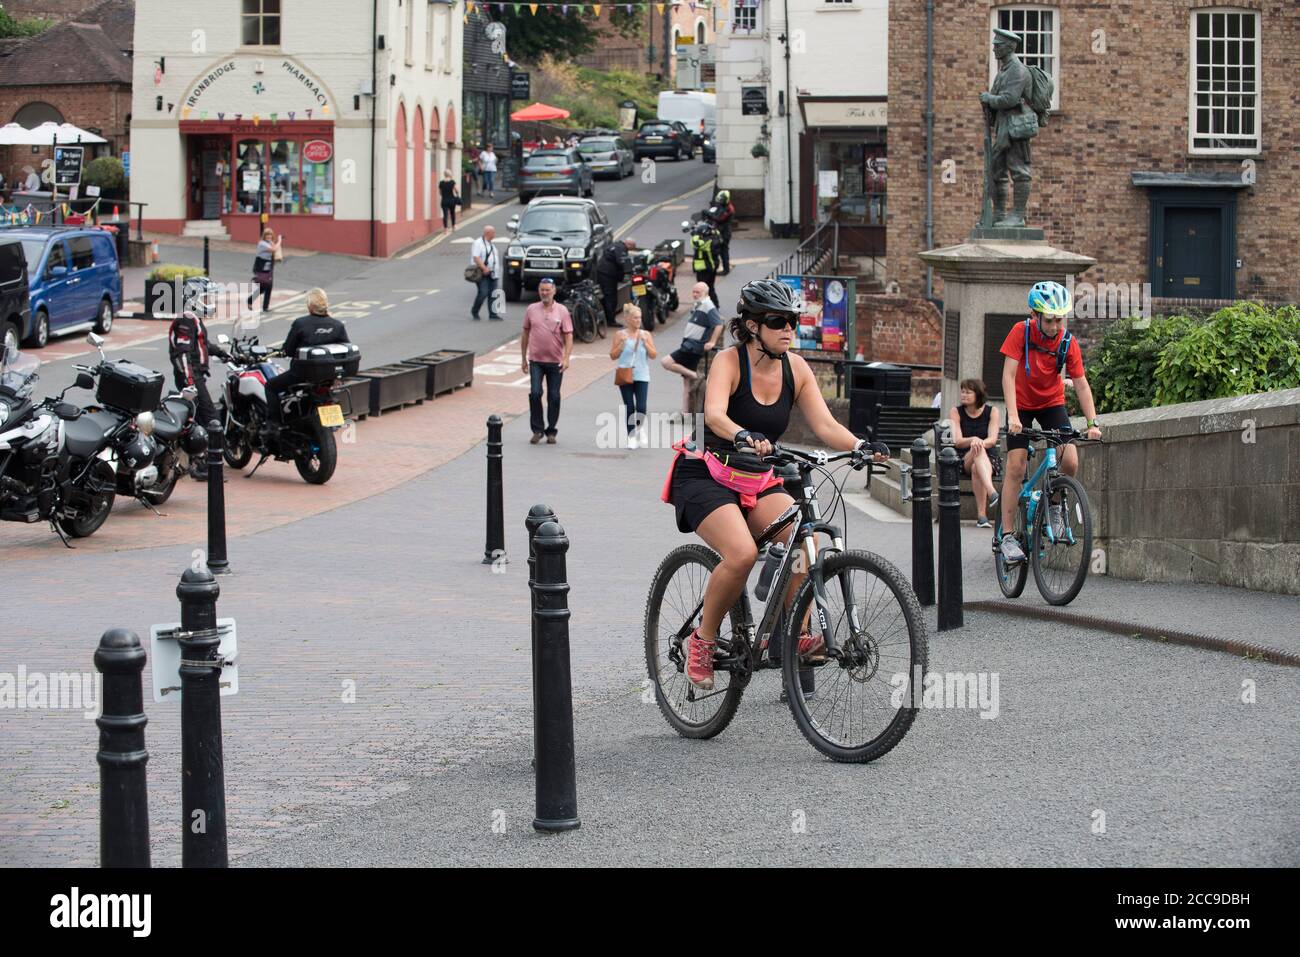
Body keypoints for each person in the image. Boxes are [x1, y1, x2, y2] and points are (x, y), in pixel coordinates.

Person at [663, 279, 888, 691]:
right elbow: (713, 415)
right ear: (751, 325)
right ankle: (703, 640)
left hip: (756, 477)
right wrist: (741, 434)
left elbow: (823, 424)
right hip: (708, 474)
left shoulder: (795, 368)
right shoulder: (729, 363)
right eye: (777, 321)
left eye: (793, 321)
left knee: (806, 542)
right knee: (742, 553)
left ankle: (797, 633)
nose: (789, 328)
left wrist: (860, 445)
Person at [997, 280, 1103, 563]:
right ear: (1035, 315)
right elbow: (1008, 376)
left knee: (1069, 461)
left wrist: (1093, 422)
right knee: (1016, 466)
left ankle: (1054, 507)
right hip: (1020, 403)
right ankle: (1007, 537)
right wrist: (1014, 417)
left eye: (1060, 319)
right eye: (1050, 319)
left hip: (1051, 403)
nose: (1056, 326)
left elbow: (1080, 384)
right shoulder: (1021, 332)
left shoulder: (1067, 342)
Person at [168, 277, 229, 480]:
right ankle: (201, 464)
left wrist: (222, 353)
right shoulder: (185, 321)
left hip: (196, 376)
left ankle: (198, 461)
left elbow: (202, 344)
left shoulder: (194, 319)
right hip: (191, 378)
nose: (210, 300)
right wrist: (190, 381)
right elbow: (182, 354)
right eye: (206, 296)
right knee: (210, 418)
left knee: (201, 419)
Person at [263, 288, 351, 429]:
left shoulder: (301, 324)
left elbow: (289, 350)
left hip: (301, 375)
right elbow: (345, 350)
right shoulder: (337, 325)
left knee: (271, 387)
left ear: (310, 306)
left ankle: (274, 424)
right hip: (328, 378)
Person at [979, 28, 1034, 228]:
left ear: (1009, 47)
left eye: (997, 45)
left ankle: (1018, 216)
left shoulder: (1018, 70)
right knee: (996, 170)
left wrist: (989, 99)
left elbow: (1009, 99)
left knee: (1019, 171)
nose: (994, 48)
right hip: (1003, 128)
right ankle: (1000, 215)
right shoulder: (1003, 70)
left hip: (1016, 129)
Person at [521, 277, 573, 444]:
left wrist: (566, 358)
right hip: (535, 360)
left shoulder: (562, 311)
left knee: (554, 396)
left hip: (555, 361)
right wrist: (523, 358)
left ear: (554, 291)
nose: (544, 293)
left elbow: (568, 335)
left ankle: (551, 430)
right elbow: (525, 334)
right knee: (535, 393)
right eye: (542, 290)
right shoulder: (531, 309)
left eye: (547, 290)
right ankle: (537, 429)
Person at [662, 281, 723, 415]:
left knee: (666, 362)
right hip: (688, 344)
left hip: (693, 347)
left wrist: (712, 342)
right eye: (694, 292)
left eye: (698, 292)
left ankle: (695, 375)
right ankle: (686, 413)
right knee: (687, 385)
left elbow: (719, 324)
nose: (695, 295)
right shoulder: (700, 304)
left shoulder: (708, 305)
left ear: (705, 293)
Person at [950, 378, 1001, 527]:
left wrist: (979, 443)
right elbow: (957, 441)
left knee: (976, 464)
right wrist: (974, 439)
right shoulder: (956, 412)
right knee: (976, 449)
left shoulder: (992, 411)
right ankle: (992, 492)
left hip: (989, 460)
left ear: (978, 394)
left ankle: (982, 517)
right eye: (962, 391)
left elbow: (992, 440)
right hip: (964, 458)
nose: (963, 395)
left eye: (968, 392)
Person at [609, 303, 656, 449]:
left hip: (642, 374)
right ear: (627, 319)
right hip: (625, 374)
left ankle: (639, 428)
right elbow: (612, 356)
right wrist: (622, 346)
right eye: (635, 318)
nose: (638, 320)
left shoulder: (646, 334)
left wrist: (645, 343)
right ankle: (631, 437)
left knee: (641, 407)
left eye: (639, 318)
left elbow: (654, 355)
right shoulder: (620, 335)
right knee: (629, 406)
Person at [596, 237, 636, 330]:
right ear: (629, 244)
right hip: (607, 275)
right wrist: (630, 269)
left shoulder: (617, 245)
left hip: (604, 272)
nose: (632, 249)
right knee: (611, 297)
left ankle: (606, 318)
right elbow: (622, 261)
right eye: (633, 247)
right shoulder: (621, 249)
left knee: (607, 296)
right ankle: (610, 320)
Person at [469, 225, 502, 321]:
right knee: (483, 293)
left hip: (493, 273)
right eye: (494, 232)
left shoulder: (491, 244)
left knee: (493, 294)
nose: (495, 234)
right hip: (482, 273)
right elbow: (476, 257)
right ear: (489, 233)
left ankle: (493, 314)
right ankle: (474, 310)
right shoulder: (478, 243)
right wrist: (484, 268)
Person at [246, 227, 281, 313]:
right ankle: (260, 305)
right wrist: (280, 240)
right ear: (264, 236)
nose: (269, 236)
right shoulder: (262, 243)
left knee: (265, 287)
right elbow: (274, 249)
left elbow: (274, 251)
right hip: (261, 269)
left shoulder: (269, 243)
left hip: (268, 269)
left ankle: (258, 304)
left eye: (270, 235)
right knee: (266, 287)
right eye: (267, 235)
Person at [690, 221, 721, 310]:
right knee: (710, 287)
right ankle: (715, 306)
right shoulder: (715, 237)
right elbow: (716, 232)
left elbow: (695, 243)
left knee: (702, 289)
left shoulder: (707, 241)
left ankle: (703, 308)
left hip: (704, 268)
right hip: (712, 267)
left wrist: (695, 233)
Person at [711, 189, 736, 275]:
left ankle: (726, 269)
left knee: (723, 251)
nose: (719, 202)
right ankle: (722, 268)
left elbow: (720, 219)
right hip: (721, 231)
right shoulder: (723, 206)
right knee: (721, 250)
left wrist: (710, 215)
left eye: (721, 200)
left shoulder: (729, 209)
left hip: (724, 233)